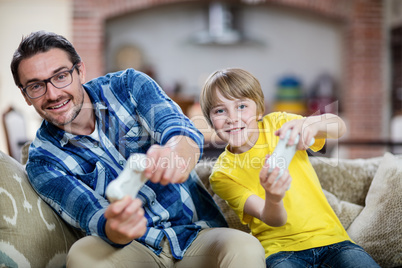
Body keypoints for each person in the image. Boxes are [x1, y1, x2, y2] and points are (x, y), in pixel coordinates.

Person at [11, 31, 265, 267]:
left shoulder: (127, 86)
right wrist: (118, 227)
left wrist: (175, 155)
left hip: (197, 234)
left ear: (80, 71)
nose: (53, 93)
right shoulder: (43, 162)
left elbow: (180, 131)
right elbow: (92, 216)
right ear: (25, 96)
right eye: (35, 86)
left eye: (60, 76)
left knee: (245, 247)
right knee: (82, 254)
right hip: (132, 249)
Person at [199, 68, 380, 267]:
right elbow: (273, 219)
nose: (232, 117)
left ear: (259, 110)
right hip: (279, 252)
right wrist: (274, 197)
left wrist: (312, 124)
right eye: (220, 110)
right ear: (210, 120)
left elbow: (339, 127)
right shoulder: (222, 175)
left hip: (334, 241)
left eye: (241, 106)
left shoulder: (279, 123)